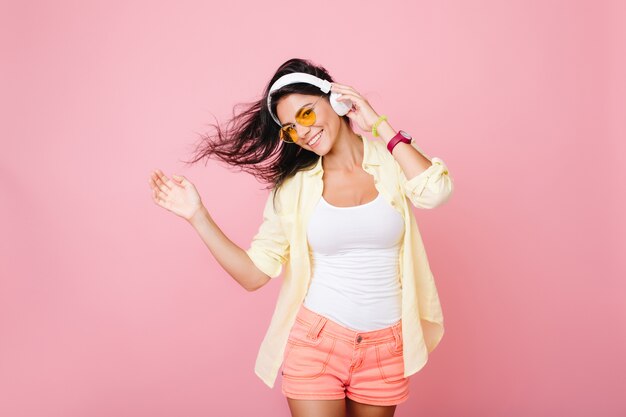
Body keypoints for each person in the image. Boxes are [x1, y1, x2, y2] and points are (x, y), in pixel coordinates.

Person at [148, 58, 454, 417]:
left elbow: (436, 192)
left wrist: (378, 124)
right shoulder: (293, 189)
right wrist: (198, 216)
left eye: (306, 115)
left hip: (386, 348)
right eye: (291, 128)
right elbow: (253, 274)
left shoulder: (392, 162)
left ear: (336, 100)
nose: (303, 132)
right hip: (317, 343)